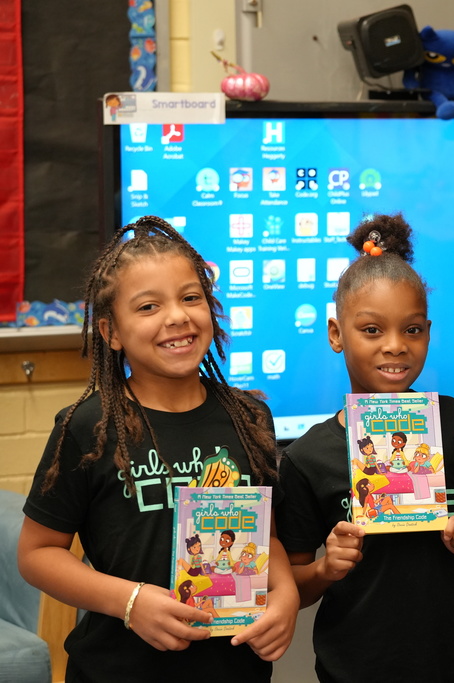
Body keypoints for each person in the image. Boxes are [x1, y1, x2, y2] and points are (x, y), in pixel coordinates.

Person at [17, 216, 298, 682]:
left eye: (191, 298)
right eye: (148, 306)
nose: (177, 316)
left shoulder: (249, 418)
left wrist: (285, 594)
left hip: (232, 667)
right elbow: (37, 553)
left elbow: (265, 536)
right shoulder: (88, 427)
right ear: (111, 332)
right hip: (119, 669)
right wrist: (129, 603)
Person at [275, 213, 454, 683]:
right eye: (372, 330)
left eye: (412, 330)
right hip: (355, 667)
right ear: (337, 334)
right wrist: (325, 568)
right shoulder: (306, 458)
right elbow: (290, 583)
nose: (395, 346)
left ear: (429, 332)